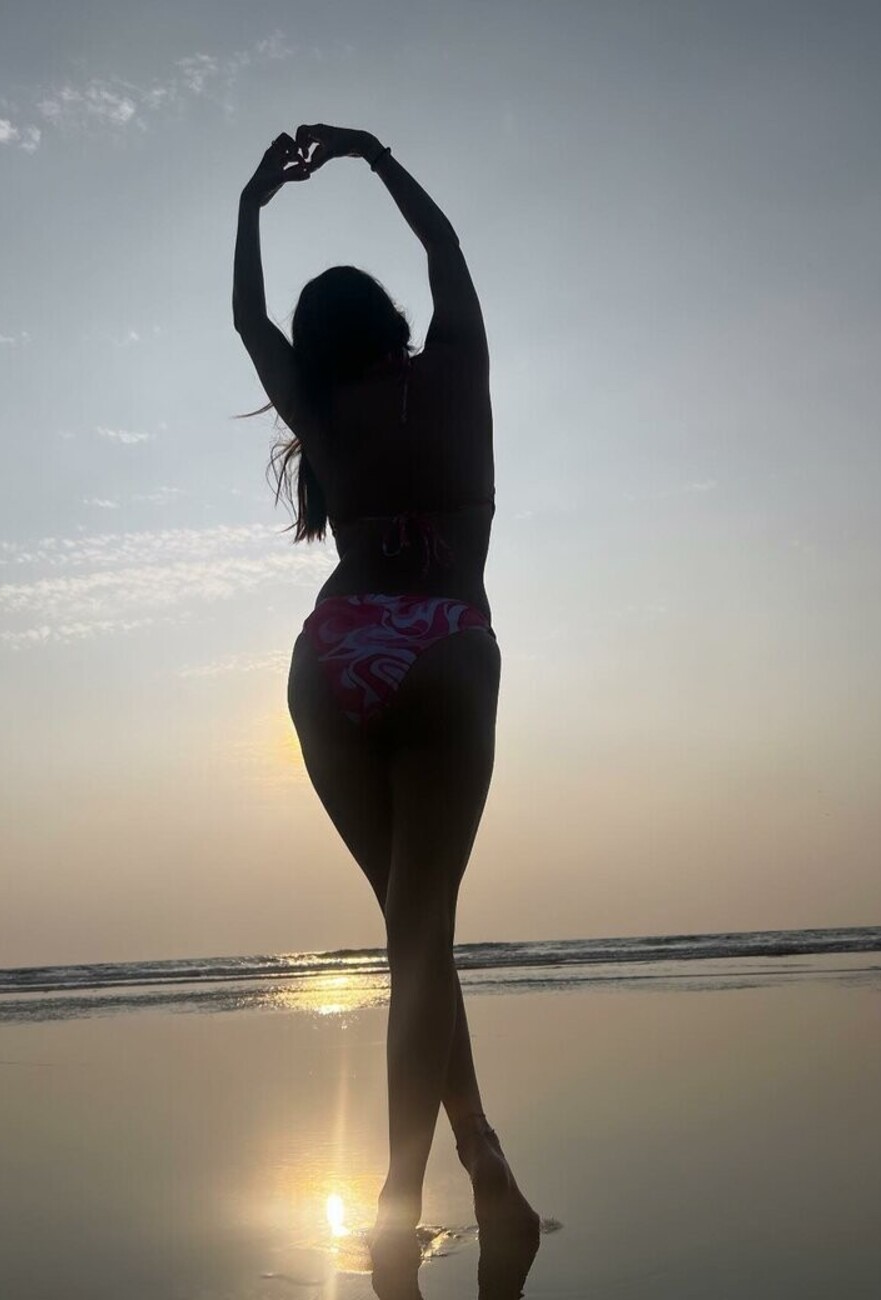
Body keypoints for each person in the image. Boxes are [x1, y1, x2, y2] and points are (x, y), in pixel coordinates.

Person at [232, 125, 540, 1264]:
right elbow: (446, 246)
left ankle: (481, 1150)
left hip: (334, 656)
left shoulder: (321, 414)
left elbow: (248, 324)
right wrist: (373, 155)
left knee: (416, 939)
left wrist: (252, 205)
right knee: (420, 938)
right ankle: (399, 1197)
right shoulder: (455, 372)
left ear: (320, 348)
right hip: (445, 644)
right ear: (394, 322)